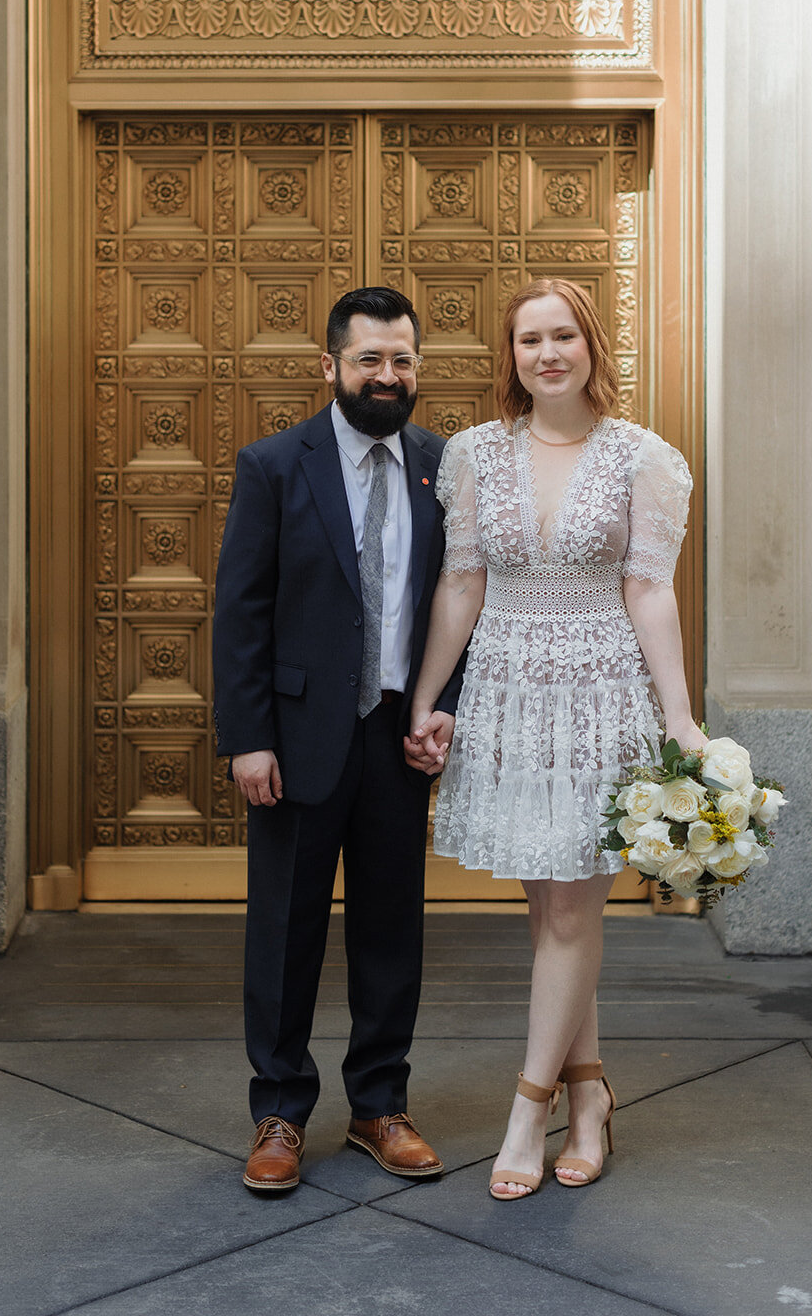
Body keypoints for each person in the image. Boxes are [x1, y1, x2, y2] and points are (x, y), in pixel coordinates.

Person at [405, 277, 702, 1200]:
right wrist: (425, 700)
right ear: (511, 356)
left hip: (598, 696)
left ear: (591, 347)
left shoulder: (642, 458)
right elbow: (460, 583)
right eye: (529, 339)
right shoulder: (473, 456)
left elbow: (650, 591)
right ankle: (591, 1097)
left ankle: (526, 1110)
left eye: (562, 335)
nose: (546, 353)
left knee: (572, 915)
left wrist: (680, 719)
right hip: (505, 694)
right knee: (549, 919)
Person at [213, 286, 463, 1193]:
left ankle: (378, 1107)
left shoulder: (447, 466)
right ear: (331, 366)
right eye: (368, 360)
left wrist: (447, 711)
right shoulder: (275, 464)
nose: (386, 376)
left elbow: (462, 602)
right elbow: (240, 612)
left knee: (392, 928)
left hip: (398, 737)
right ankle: (279, 1112)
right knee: (283, 931)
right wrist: (248, 738)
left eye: (401, 360)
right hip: (294, 739)